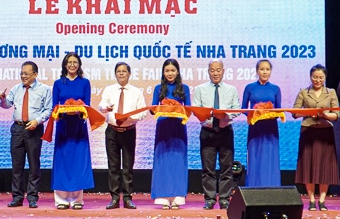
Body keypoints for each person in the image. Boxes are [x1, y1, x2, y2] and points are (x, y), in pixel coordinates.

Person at [0, 61, 52, 208]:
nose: (23, 76)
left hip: (34, 129)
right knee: (17, 166)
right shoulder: (16, 89)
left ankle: (33, 198)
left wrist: (37, 121)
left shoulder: (44, 89)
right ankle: (17, 197)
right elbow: (7, 105)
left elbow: (48, 110)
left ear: (35, 74)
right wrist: (2, 98)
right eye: (22, 73)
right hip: (17, 129)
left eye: (26, 73)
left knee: (34, 165)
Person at [193, 60, 241, 209]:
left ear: (223, 71)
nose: (215, 73)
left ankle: (225, 199)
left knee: (226, 168)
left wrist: (225, 116)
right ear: (208, 71)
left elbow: (237, 110)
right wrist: (207, 117)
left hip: (226, 131)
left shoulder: (231, 89)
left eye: (218, 70)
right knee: (208, 169)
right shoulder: (200, 89)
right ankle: (210, 199)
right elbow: (196, 109)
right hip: (207, 132)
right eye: (212, 70)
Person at [98, 62, 147, 209]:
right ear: (115, 74)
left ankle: (127, 198)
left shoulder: (137, 92)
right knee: (113, 167)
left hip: (129, 131)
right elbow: (101, 106)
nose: (121, 74)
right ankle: (114, 198)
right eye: (118, 71)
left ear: (129, 74)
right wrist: (106, 107)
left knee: (127, 166)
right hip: (112, 131)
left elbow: (143, 112)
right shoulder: (109, 90)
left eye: (124, 71)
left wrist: (130, 118)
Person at [50, 52, 94, 209]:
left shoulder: (85, 83)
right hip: (63, 126)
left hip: (78, 128)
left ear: (79, 65)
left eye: (75, 62)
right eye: (69, 62)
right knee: (62, 161)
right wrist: (62, 112)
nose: (72, 65)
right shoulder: (58, 83)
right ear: (64, 64)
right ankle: (61, 200)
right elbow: (54, 107)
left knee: (78, 161)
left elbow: (87, 106)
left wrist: (78, 111)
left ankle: (77, 200)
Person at [292, 64, 340, 211]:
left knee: (325, 166)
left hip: (325, 132)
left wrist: (325, 115)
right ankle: (312, 200)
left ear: (325, 78)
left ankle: (322, 200)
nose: (318, 80)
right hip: (309, 131)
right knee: (309, 166)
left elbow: (336, 115)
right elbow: (295, 112)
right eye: (315, 77)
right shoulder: (303, 92)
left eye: (321, 77)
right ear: (310, 77)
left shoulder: (331, 92)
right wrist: (309, 112)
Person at [151, 59, 191, 209]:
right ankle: (163, 197)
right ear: (163, 72)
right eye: (167, 71)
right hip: (163, 128)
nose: (170, 73)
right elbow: (153, 108)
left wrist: (177, 108)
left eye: (172, 70)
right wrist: (164, 107)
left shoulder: (184, 88)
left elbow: (188, 110)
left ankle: (177, 197)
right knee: (163, 161)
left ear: (178, 72)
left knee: (177, 161)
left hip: (178, 128)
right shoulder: (158, 88)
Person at [241, 59, 282, 188]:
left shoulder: (275, 89)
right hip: (255, 127)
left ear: (270, 71)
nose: (265, 72)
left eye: (267, 69)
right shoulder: (250, 88)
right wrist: (254, 115)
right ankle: (253, 189)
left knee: (270, 158)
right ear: (257, 71)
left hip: (270, 128)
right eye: (262, 69)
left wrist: (269, 115)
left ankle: (272, 189)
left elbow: (278, 110)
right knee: (255, 157)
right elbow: (243, 108)